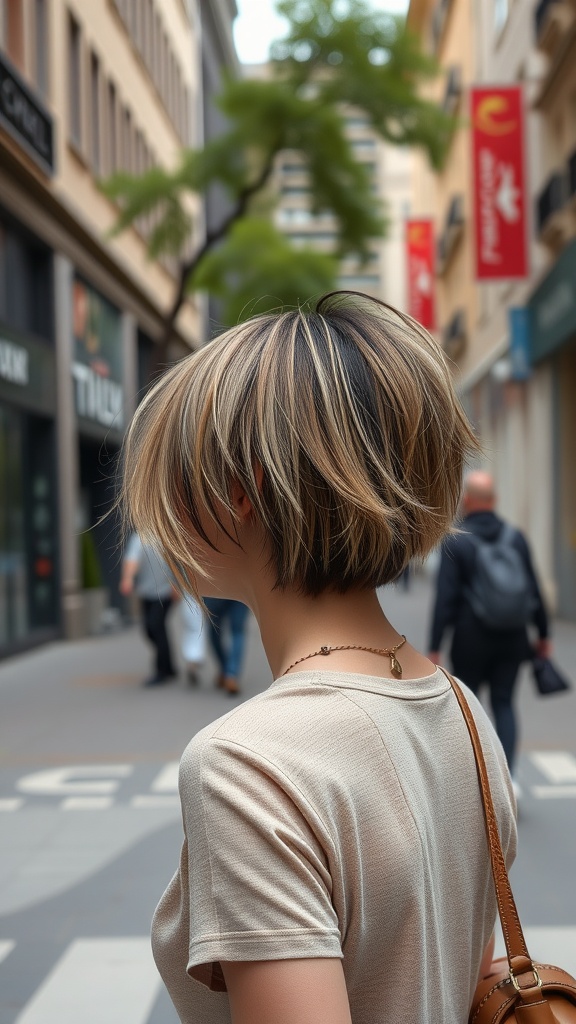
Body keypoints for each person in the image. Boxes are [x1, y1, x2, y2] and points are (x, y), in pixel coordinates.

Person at [121, 293, 516, 1024]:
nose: (163, 506)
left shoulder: (248, 765)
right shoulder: (465, 713)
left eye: (179, 473)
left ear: (243, 490)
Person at [429, 470, 550, 778]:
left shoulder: (457, 541)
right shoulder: (515, 537)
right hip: (513, 637)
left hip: (470, 639)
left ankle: (480, 785)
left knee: (471, 709)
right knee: (505, 704)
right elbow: (534, 589)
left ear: (467, 500)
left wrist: (434, 645)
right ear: (493, 501)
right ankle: (508, 781)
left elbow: (446, 599)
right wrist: (544, 633)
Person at [120, 532, 178, 687]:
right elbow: (132, 560)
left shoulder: (167, 535)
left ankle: (161, 671)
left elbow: (177, 562)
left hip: (165, 592)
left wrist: (177, 585)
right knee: (150, 630)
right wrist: (127, 578)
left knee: (156, 626)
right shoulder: (139, 538)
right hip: (146, 593)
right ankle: (169, 666)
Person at [204, 597, 249, 695]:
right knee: (237, 631)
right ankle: (230, 673)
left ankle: (227, 671)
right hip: (240, 590)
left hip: (215, 589)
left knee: (215, 629)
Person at [180, 596, 206, 686]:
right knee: (197, 629)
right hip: (195, 595)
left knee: (192, 629)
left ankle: (192, 661)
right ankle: (194, 660)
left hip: (189, 596)